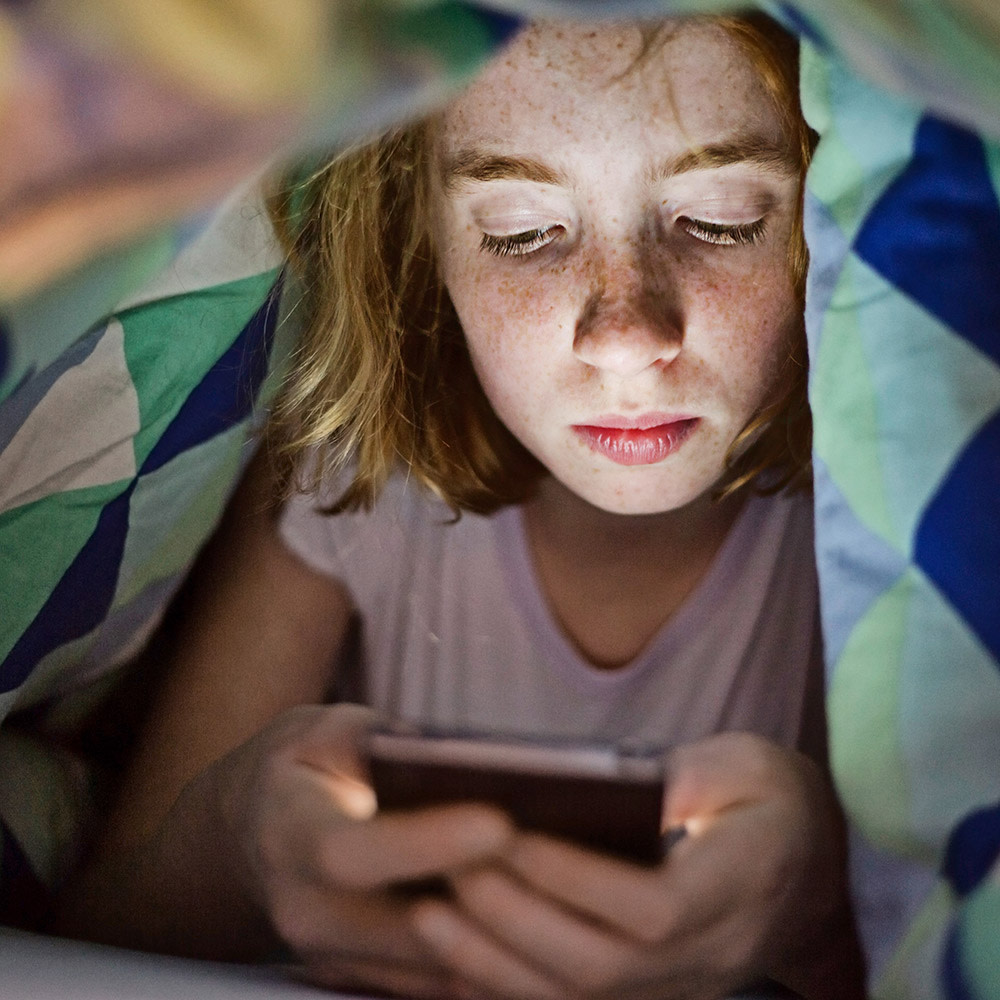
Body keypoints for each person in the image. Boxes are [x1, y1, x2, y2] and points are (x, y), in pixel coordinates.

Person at [53, 14, 865, 1000]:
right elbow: (93, 939)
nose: (623, 335)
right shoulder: (349, 483)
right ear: (426, 247)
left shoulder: (862, 539)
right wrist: (237, 838)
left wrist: (820, 899)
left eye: (722, 218)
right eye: (524, 234)